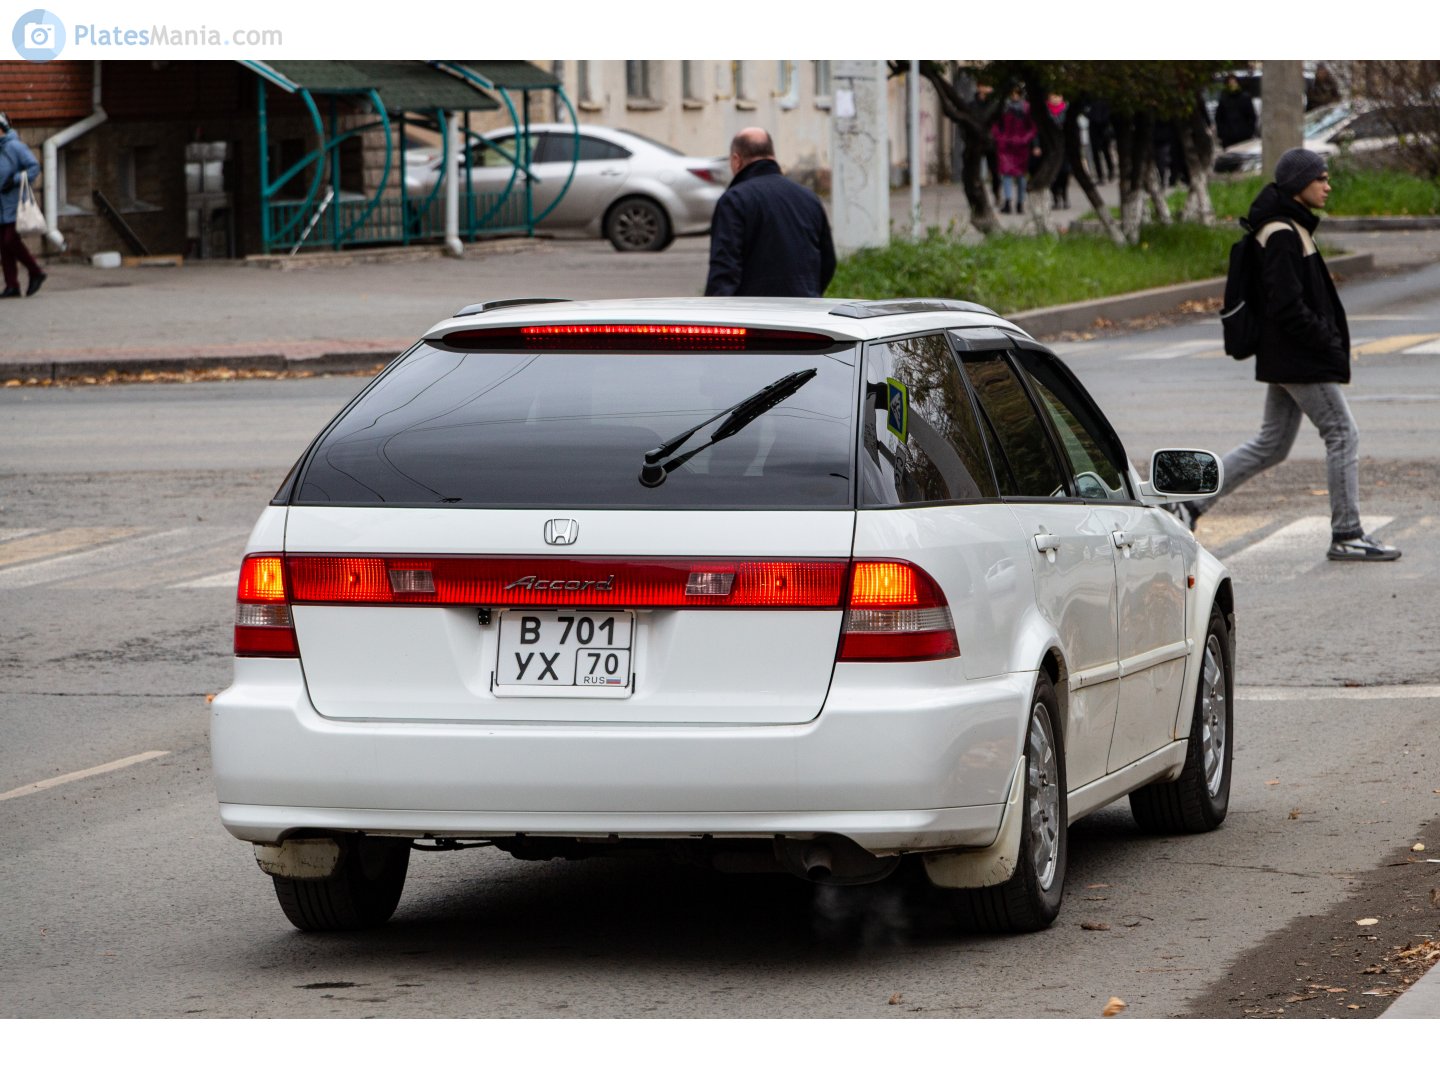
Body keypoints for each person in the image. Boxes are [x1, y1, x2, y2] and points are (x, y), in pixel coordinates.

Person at [1176, 149, 1400, 562]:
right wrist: (1325, 339)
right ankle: (1347, 533)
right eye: (1321, 179)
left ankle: (1187, 505)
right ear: (1300, 184)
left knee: (1271, 444)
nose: (1327, 186)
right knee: (1342, 433)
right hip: (1300, 357)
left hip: (1290, 357)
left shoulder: (1289, 226)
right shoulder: (1281, 232)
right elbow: (1286, 306)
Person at [704, 127, 835, 298]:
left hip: (755, 316)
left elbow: (725, 271)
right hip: (804, 315)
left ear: (736, 160)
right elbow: (828, 261)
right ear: (772, 156)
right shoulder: (809, 198)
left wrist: (715, 313)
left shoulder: (734, 201)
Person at [0, 111, 46, 299]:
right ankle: (12, 286)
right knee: (4, 246)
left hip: (15, 203)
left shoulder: (15, 146)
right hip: (0, 206)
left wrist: (16, 178)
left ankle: (36, 271)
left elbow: (34, 167)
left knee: (10, 240)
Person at [991, 87, 1036, 215]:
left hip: (1021, 146)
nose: (1014, 96)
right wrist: (1000, 138)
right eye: (1012, 93)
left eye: (1017, 94)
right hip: (1005, 146)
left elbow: (1032, 127)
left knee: (1021, 176)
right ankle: (1008, 201)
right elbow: (995, 124)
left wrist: (1024, 139)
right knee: (1006, 174)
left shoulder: (1027, 108)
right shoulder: (1003, 107)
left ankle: (1020, 202)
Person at [971, 82, 1002, 203]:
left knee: (994, 171)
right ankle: (978, 196)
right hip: (976, 142)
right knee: (974, 172)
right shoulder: (972, 105)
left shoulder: (995, 104)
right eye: (983, 85)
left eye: (988, 85)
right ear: (978, 87)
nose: (986, 88)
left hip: (992, 142)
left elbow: (1000, 123)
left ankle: (996, 192)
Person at [1214, 76, 1257, 149]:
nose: (1232, 85)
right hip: (1229, 137)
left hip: (1244, 135)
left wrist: (1250, 131)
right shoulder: (1224, 99)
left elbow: (1252, 116)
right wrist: (1222, 134)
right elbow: (1219, 118)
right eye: (1230, 83)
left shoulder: (1245, 98)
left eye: (1234, 82)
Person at [1045, 92, 1071, 210]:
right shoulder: (1044, 111)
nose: (1055, 99)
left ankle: (1064, 194)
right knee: (1051, 175)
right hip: (1049, 148)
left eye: (1057, 96)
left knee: (1064, 173)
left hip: (1064, 147)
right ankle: (1055, 197)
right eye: (1053, 96)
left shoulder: (1067, 111)